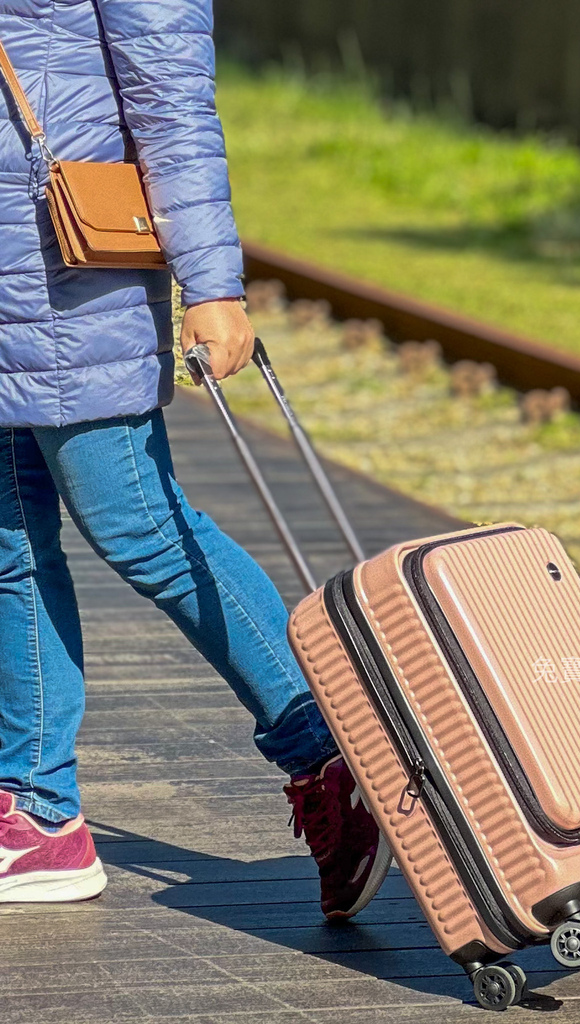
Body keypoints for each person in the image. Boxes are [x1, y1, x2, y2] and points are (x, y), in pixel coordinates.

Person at [0, 0, 391, 919]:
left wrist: (212, 284)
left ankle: (329, 757)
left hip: (67, 276)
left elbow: (170, 98)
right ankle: (39, 812)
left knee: (140, 525)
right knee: (9, 552)